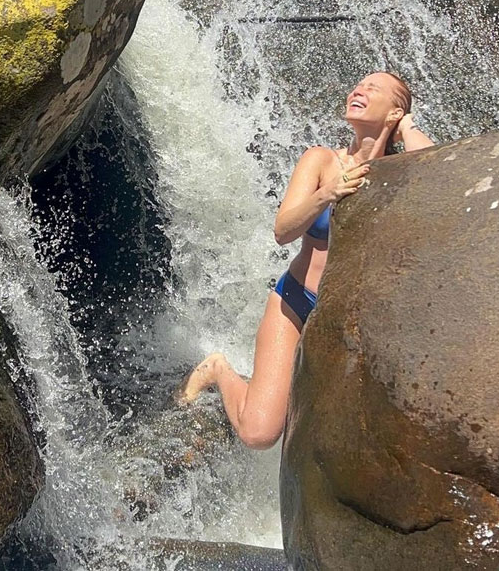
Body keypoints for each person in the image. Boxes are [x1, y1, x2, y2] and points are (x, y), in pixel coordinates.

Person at [178, 72, 434, 449]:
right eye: (357, 84)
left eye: (372, 88)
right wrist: (327, 195)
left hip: (351, 321)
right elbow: (283, 231)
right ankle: (218, 369)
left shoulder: (396, 174)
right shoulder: (321, 160)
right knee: (260, 433)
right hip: (296, 303)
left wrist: (407, 125)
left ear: (394, 112)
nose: (358, 90)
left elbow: (433, 173)